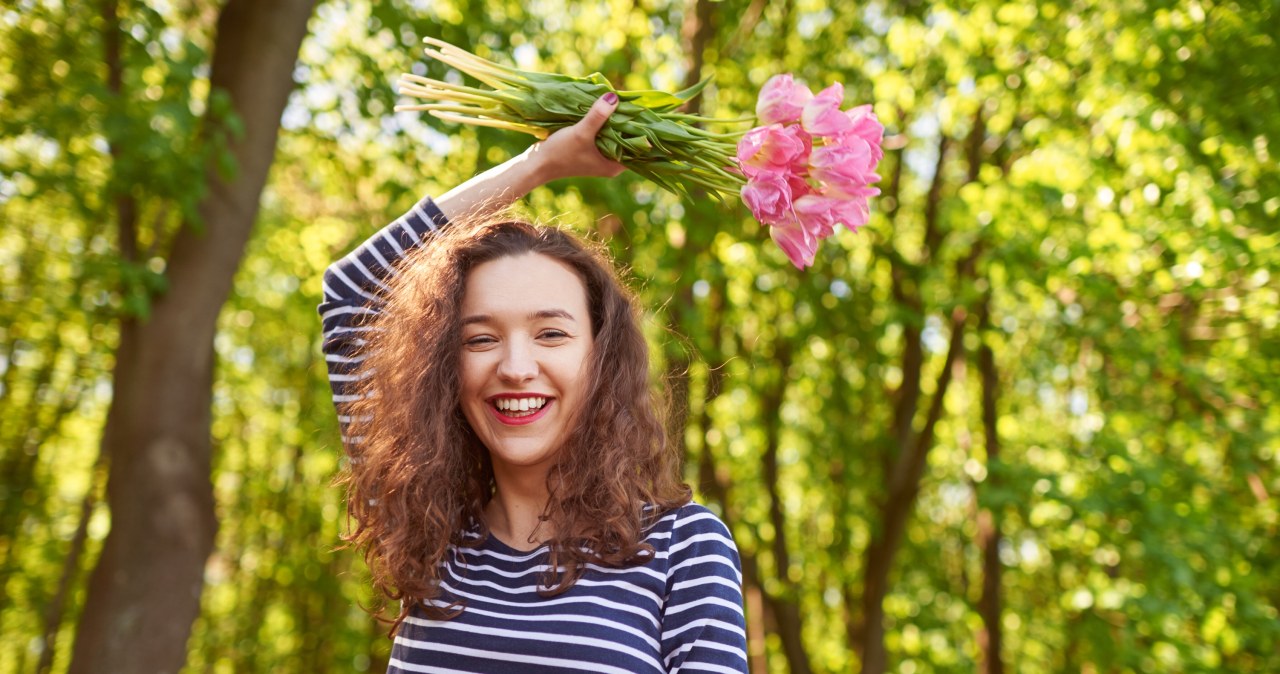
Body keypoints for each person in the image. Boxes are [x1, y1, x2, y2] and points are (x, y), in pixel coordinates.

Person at [318, 93, 749, 673]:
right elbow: (352, 294)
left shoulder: (683, 546)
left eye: (550, 334)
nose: (516, 366)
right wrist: (540, 163)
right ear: (445, 367)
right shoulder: (430, 534)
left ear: (601, 360)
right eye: (480, 339)